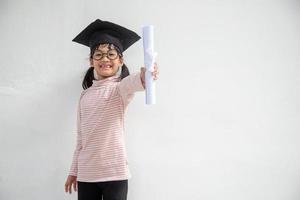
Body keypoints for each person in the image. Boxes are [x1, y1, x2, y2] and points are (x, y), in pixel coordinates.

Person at [64, 19, 159, 200]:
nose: (105, 59)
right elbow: (80, 139)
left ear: (120, 60)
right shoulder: (84, 96)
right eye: (98, 55)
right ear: (91, 61)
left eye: (111, 54)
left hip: (115, 173)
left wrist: (146, 75)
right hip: (86, 174)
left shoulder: (120, 89)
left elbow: (134, 82)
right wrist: (74, 170)